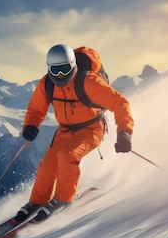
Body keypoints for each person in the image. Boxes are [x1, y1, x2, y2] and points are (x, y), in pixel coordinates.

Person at [14, 44, 134, 222]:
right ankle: (37, 201)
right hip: (65, 130)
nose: (60, 75)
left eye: (64, 69)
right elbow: (35, 108)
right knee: (47, 165)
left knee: (67, 155)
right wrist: (31, 124)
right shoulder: (47, 83)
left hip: (91, 128)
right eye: (56, 70)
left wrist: (124, 132)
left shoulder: (88, 82)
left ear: (73, 65)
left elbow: (120, 103)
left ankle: (63, 200)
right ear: (49, 69)